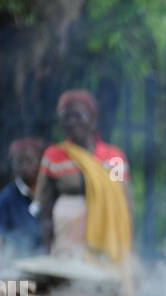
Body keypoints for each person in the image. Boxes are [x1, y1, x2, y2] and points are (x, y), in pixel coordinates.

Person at [35, 89, 134, 266]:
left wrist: (129, 248)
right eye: (66, 117)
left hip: (107, 245)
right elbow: (43, 206)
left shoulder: (113, 158)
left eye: (77, 116)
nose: (72, 122)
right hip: (67, 247)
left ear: (93, 119)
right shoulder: (54, 156)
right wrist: (46, 246)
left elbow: (122, 202)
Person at [0, 138, 45, 267]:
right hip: (19, 264)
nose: (23, 165)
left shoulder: (50, 193)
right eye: (18, 161)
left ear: (40, 162)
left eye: (29, 160)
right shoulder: (6, 198)